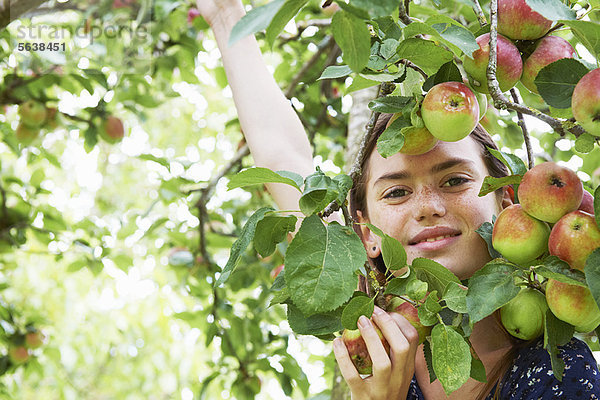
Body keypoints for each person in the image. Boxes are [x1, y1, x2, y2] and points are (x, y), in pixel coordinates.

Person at [196, 1, 600, 399]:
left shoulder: (557, 368)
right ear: (364, 232)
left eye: (455, 180)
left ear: (507, 204)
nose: (426, 205)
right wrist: (225, 13)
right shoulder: (372, 326)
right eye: (396, 191)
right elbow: (281, 154)